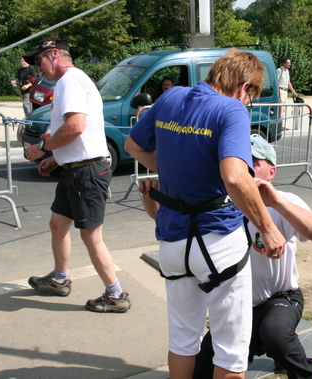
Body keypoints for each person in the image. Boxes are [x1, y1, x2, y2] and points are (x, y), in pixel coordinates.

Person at [125, 50, 286, 379]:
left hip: (172, 242)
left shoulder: (171, 97)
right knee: (231, 348)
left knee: (183, 340)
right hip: (217, 242)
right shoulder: (231, 109)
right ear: (244, 88)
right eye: (250, 98)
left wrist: (173, 173)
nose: (248, 104)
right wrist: (267, 228)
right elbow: (235, 176)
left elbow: (132, 146)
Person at [191, 135, 312, 379]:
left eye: (254, 162)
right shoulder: (220, 206)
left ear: (271, 171)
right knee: (200, 370)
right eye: (240, 162)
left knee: (275, 332)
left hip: (280, 297)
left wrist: (276, 201)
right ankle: (265, 348)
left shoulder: (284, 202)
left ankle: (305, 372)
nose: (245, 168)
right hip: (237, 305)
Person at [22, 37, 130, 314]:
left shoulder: (69, 81)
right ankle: (59, 279)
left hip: (87, 172)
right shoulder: (70, 81)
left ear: (55, 54)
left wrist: (42, 149)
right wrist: (55, 159)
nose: (37, 67)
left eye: (39, 60)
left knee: (91, 237)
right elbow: (81, 132)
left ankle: (116, 294)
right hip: (76, 169)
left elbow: (76, 126)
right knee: (58, 225)